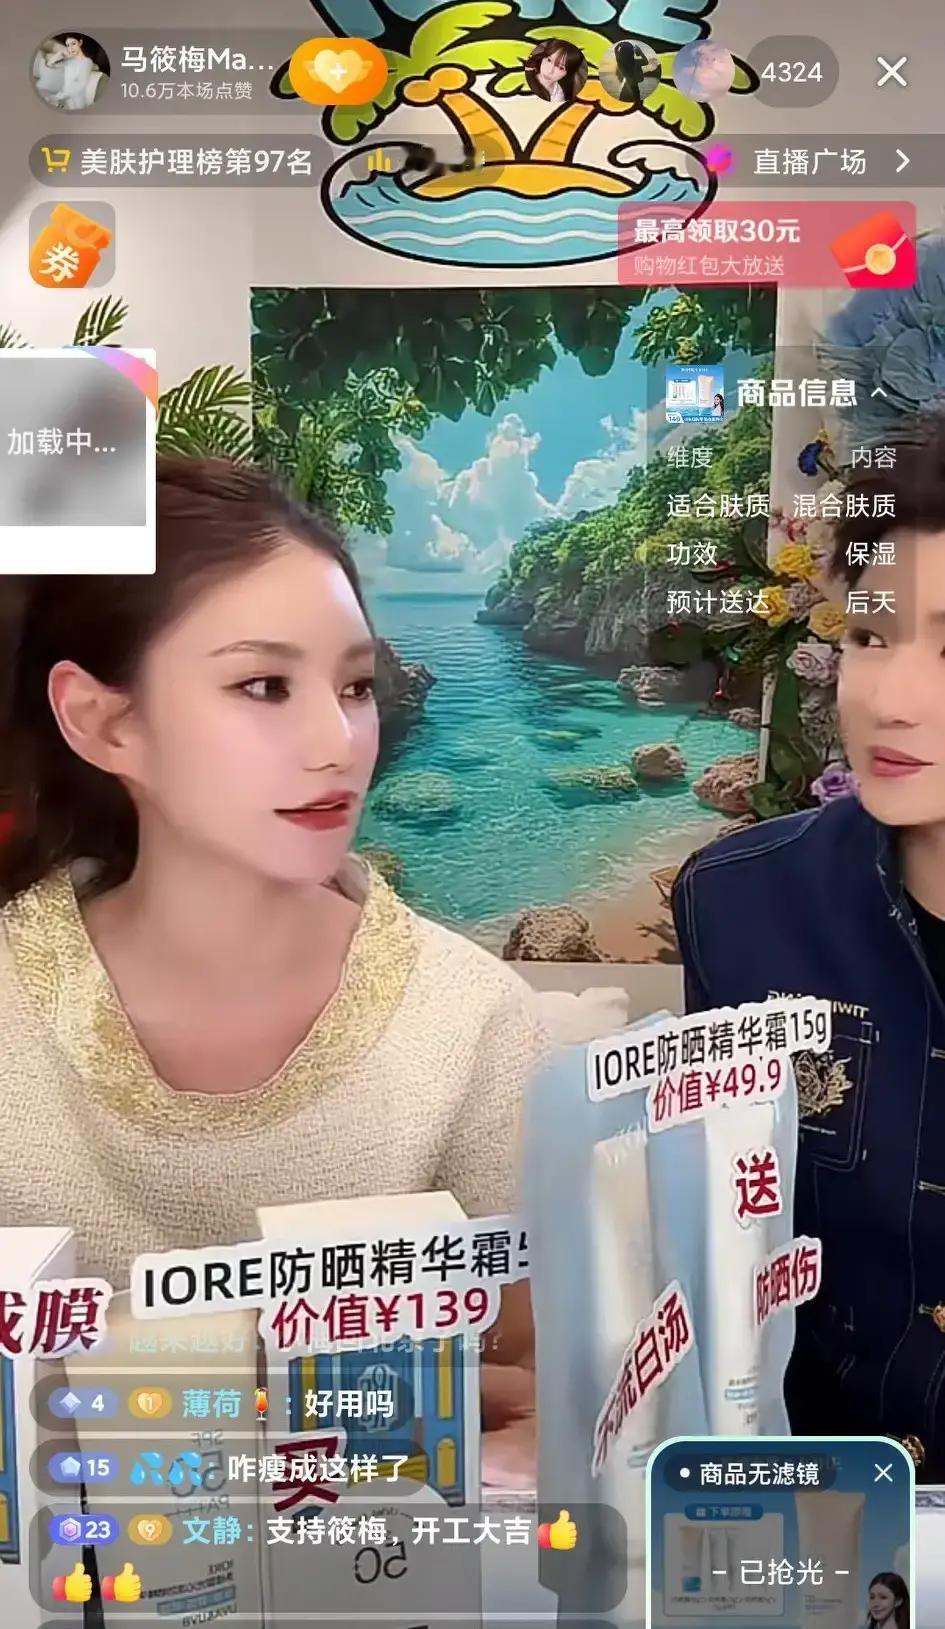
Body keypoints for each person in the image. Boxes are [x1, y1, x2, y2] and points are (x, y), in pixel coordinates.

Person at [0, 457, 550, 1477]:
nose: (337, 742)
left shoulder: (473, 1021)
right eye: (263, 685)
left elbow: (525, 1394)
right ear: (105, 722)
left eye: (356, 686)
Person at [671, 415, 945, 1480]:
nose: (888, 699)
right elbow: (715, 1263)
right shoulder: (741, 908)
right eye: (870, 636)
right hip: (813, 1515)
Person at [523, 39, 588, 105]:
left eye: (561, 68)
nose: (550, 71)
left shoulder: (558, 95)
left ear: (567, 73)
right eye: (549, 60)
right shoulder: (525, 75)